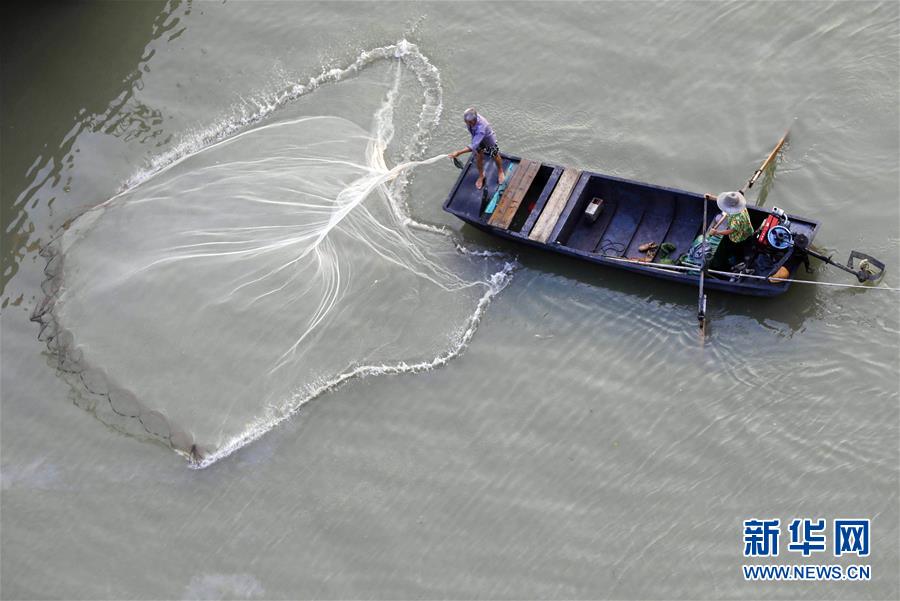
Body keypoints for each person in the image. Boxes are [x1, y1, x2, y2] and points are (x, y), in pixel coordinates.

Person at [448, 107, 505, 190]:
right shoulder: (469, 119)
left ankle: (500, 171)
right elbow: (475, 141)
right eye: (468, 122)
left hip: (488, 140)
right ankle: (481, 175)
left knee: (495, 155)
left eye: (472, 121)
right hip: (477, 139)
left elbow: (473, 145)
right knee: (478, 157)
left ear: (475, 119)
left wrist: (459, 152)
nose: (470, 123)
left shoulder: (482, 127)